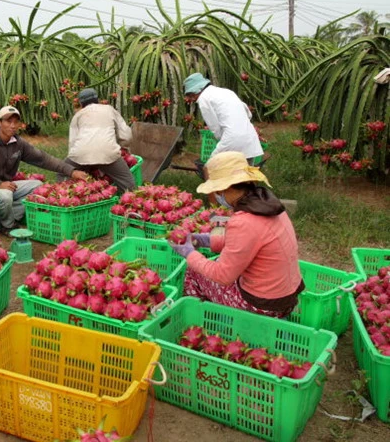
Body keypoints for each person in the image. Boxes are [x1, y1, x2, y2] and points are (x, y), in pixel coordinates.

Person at [169, 151, 304, 318]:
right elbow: (247, 242)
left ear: (225, 188)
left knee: (195, 271)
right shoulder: (268, 204)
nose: (216, 196)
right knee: (213, 263)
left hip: (263, 306)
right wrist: (205, 241)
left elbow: (223, 276)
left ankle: (197, 319)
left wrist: (189, 254)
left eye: (216, 190)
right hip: (286, 298)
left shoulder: (243, 221)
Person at [0, 105, 90, 234]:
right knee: (5, 195)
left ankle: (2, 217)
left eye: (16, 122)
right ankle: (8, 226)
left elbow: (43, 159)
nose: (13, 126)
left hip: (6, 187)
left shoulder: (18, 143)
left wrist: (71, 171)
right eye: (8, 121)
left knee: (37, 187)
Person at [62, 88, 136, 193]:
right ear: (97, 99)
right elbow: (126, 135)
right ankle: (128, 201)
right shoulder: (109, 110)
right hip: (107, 153)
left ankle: (63, 196)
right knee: (128, 184)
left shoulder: (78, 115)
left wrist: (78, 161)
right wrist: (121, 146)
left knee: (63, 172)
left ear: (81, 103)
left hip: (81, 153)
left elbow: (73, 142)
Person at [184, 73, 263, 164]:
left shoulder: (204, 99)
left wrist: (220, 143)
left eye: (191, 95)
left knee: (212, 165)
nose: (192, 99)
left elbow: (215, 128)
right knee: (247, 173)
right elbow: (248, 113)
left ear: (195, 91)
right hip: (250, 138)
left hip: (231, 139)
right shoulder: (226, 92)